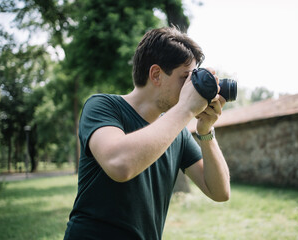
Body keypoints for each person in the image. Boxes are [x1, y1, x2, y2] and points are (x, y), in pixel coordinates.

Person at [64, 27, 230, 240]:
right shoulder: (102, 106)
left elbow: (220, 192)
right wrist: (186, 109)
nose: (191, 88)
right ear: (156, 75)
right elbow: (120, 164)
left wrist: (206, 131)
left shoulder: (176, 132)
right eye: (186, 78)